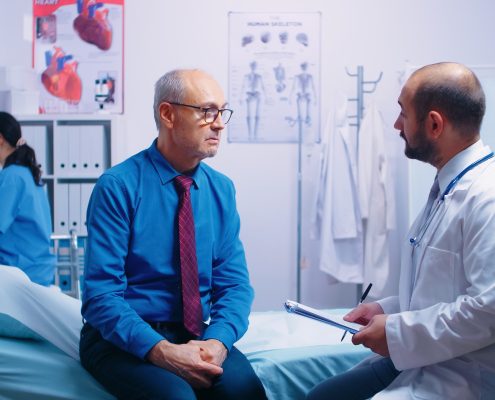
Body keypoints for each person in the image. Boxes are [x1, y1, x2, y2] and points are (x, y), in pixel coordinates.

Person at [307, 62, 495, 400]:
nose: (396, 125)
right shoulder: (448, 185)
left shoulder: (487, 198)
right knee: (322, 395)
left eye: (402, 114)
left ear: (434, 124)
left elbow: (487, 310)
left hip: (463, 373)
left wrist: (397, 332)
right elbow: (442, 289)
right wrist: (387, 309)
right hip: (425, 356)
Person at [80, 69, 267, 400]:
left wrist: (218, 341)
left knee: (246, 391)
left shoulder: (221, 190)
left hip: (193, 333)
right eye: (207, 111)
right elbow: (101, 296)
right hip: (118, 338)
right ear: (168, 114)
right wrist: (159, 350)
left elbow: (234, 285)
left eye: (222, 111)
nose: (220, 123)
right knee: (175, 396)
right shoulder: (118, 187)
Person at [0, 111, 55, 286]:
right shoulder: (26, 173)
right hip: (37, 270)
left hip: (22, 273)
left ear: (0, 139)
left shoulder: (12, 176)